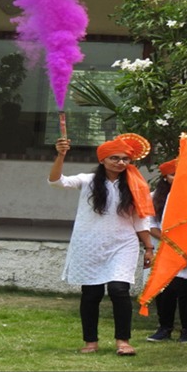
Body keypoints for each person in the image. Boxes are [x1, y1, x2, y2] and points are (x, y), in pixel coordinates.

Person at [48, 135, 155, 356]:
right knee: (91, 293)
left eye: (125, 159)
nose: (120, 162)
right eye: (114, 158)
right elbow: (56, 181)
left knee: (119, 290)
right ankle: (90, 342)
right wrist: (60, 155)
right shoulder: (87, 180)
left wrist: (149, 247)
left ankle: (123, 342)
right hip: (89, 243)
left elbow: (140, 219)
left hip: (123, 243)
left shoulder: (135, 184)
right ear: (103, 160)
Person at [146, 158, 187, 343]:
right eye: (173, 174)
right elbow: (151, 225)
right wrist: (173, 245)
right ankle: (164, 328)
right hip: (171, 249)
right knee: (166, 291)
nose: (177, 178)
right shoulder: (159, 197)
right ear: (165, 177)